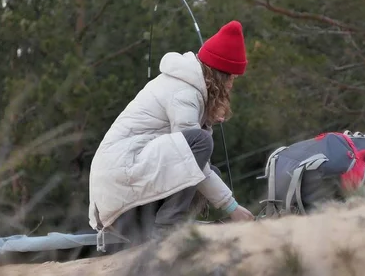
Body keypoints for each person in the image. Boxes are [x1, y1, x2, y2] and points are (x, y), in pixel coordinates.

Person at [88, 20, 255, 248]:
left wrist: (206, 119)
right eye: (232, 78)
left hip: (128, 198)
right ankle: (166, 231)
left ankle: (161, 231)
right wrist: (232, 207)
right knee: (199, 144)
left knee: (204, 165)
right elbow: (190, 154)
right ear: (220, 75)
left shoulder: (190, 90)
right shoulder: (184, 93)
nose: (232, 86)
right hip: (121, 198)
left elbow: (192, 165)